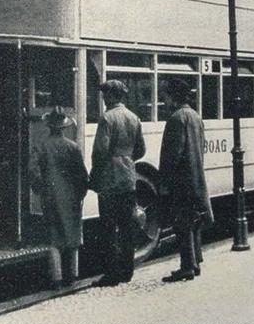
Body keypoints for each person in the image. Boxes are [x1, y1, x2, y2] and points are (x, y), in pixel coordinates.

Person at [89, 80, 146, 286]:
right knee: (126, 225)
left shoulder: (107, 118)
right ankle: (127, 271)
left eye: (106, 95)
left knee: (108, 227)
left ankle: (112, 274)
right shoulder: (133, 117)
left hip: (110, 178)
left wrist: (95, 176)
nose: (104, 98)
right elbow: (141, 150)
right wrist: (127, 159)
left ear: (113, 96)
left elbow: (100, 151)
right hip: (128, 177)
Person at [158, 78, 214, 282]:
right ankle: (196, 261)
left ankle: (187, 266)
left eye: (164, 95)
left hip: (180, 179)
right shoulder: (195, 116)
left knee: (182, 223)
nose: (162, 100)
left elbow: (172, 154)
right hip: (195, 175)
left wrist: (165, 181)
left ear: (173, 96)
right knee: (193, 221)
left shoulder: (176, 118)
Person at [29, 107, 89, 287]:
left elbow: (33, 171)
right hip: (71, 196)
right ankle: (73, 276)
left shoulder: (40, 146)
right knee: (73, 234)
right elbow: (82, 174)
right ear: (64, 127)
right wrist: (80, 193)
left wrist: (40, 189)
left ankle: (56, 278)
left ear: (49, 127)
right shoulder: (73, 147)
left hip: (50, 195)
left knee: (54, 237)